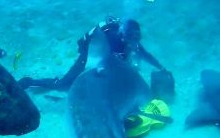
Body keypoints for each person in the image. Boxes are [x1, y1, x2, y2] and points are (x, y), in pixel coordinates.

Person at [18, 16, 169, 91]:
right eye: (132, 37)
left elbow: (145, 55)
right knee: (64, 86)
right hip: (91, 55)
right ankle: (31, 82)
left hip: (107, 61)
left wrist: (161, 68)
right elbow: (98, 59)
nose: (135, 41)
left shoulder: (131, 42)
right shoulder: (111, 39)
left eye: (138, 37)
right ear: (124, 35)